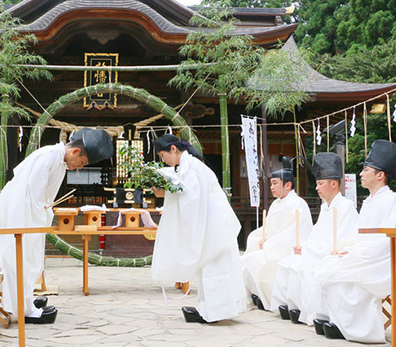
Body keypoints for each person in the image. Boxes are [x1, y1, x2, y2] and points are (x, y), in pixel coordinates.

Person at [0, 128, 113, 324]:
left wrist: (44, 212)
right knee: (21, 260)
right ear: (75, 152)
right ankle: (24, 309)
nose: (79, 167)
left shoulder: (58, 159)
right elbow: (30, 195)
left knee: (31, 260)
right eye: (82, 163)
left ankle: (26, 301)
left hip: (31, 215)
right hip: (21, 215)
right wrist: (41, 214)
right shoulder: (48, 156)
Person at [151, 134, 247, 324]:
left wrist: (168, 192)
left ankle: (215, 312)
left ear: (173, 149)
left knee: (215, 269)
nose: (163, 161)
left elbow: (192, 200)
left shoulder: (192, 167)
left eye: (163, 156)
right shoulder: (187, 166)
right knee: (211, 269)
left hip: (214, 225)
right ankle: (209, 310)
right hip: (211, 224)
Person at [312, 140, 396, 341]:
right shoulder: (368, 202)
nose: (361, 174)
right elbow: (358, 234)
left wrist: (359, 254)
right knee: (329, 263)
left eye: (366, 170)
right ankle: (337, 320)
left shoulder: (392, 200)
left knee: (342, 272)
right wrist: (345, 248)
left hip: (382, 260)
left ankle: (360, 330)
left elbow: (388, 240)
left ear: (380, 175)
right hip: (364, 255)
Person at [270, 152, 358, 326]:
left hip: (333, 254)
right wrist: (304, 247)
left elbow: (342, 240)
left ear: (333, 184)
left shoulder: (345, 207)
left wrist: (311, 250)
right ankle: (295, 306)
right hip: (318, 252)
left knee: (306, 265)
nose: (316, 188)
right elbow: (315, 235)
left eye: (320, 184)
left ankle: (316, 312)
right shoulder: (326, 208)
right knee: (290, 262)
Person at [242, 161, 313, 311]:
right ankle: (260, 296)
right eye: (271, 184)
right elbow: (267, 228)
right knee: (247, 259)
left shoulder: (297, 203)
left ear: (288, 185)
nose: (271, 187)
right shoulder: (276, 204)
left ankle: (268, 298)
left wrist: (268, 244)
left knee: (255, 261)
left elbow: (290, 234)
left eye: (275, 183)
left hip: (286, 248)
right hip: (272, 245)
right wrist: (261, 239)